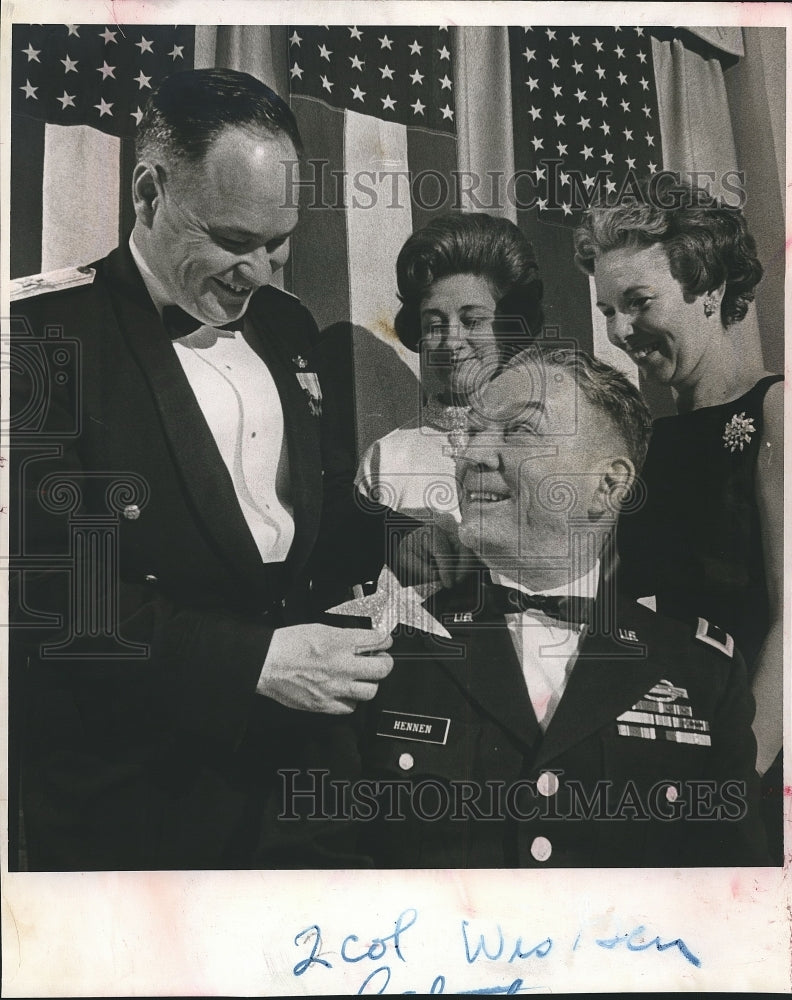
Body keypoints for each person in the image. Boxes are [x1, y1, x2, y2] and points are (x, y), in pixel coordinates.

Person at [9, 69, 392, 871]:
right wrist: (249, 664)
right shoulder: (40, 333)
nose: (260, 270)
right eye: (232, 239)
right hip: (127, 796)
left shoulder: (287, 325)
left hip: (295, 794)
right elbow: (40, 593)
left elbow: (297, 525)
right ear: (147, 194)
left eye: (279, 241)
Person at [304, 346, 768, 868]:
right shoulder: (372, 647)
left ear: (608, 486)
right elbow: (307, 875)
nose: (475, 454)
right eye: (474, 432)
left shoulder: (702, 672)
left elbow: (737, 902)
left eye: (520, 431)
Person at [573, 175, 783, 860]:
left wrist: (734, 785)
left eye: (638, 302)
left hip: (755, 766)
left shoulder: (775, 413)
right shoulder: (645, 444)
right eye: (608, 311)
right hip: (667, 769)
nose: (620, 331)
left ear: (709, 289)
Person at [356, 212, 543, 531]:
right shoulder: (385, 458)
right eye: (435, 324)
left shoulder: (548, 439)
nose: (451, 341)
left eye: (472, 321)